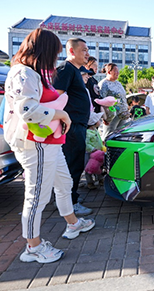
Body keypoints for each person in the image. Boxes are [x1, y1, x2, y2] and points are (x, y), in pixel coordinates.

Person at [3, 29, 95, 264]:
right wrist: (61, 113)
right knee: (37, 196)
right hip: (37, 143)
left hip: (48, 142)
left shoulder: (31, 73)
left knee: (64, 182)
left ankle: (73, 223)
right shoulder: (24, 73)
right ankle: (33, 246)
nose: (56, 58)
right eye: (55, 52)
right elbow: (27, 110)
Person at [53, 38, 92, 216]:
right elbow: (56, 98)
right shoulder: (66, 69)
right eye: (83, 50)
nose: (87, 53)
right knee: (72, 165)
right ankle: (70, 203)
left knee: (76, 164)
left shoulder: (75, 70)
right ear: (71, 51)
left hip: (78, 125)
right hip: (71, 126)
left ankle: (71, 197)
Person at [98, 63, 130, 138]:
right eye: (115, 71)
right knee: (109, 135)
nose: (118, 73)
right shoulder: (104, 84)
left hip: (123, 114)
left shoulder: (118, 83)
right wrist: (105, 116)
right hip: (112, 115)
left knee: (121, 136)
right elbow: (101, 100)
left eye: (118, 71)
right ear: (109, 72)